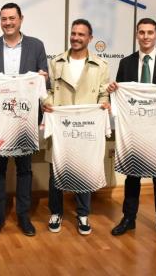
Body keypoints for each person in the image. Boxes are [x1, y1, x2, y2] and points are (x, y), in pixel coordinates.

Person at [108, 18, 156, 243]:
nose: (145, 36)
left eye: (150, 33)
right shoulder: (126, 63)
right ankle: (128, 219)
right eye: (141, 32)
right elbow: (119, 94)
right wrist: (114, 89)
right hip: (135, 131)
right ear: (136, 34)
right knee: (132, 176)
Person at [0, 2, 48, 236]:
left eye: (12, 18)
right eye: (3, 19)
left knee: (24, 169)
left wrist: (42, 78)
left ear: (21, 19)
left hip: (24, 120)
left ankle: (23, 216)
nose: (7, 22)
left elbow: (44, 84)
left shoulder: (36, 46)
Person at [42, 19, 109, 235]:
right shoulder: (56, 63)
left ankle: (82, 214)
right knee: (56, 170)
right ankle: (56, 212)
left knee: (85, 167)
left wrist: (104, 103)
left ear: (90, 38)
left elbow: (103, 93)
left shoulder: (101, 65)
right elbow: (49, 91)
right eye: (73, 33)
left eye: (81, 34)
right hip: (62, 126)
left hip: (86, 126)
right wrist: (47, 103)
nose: (76, 38)